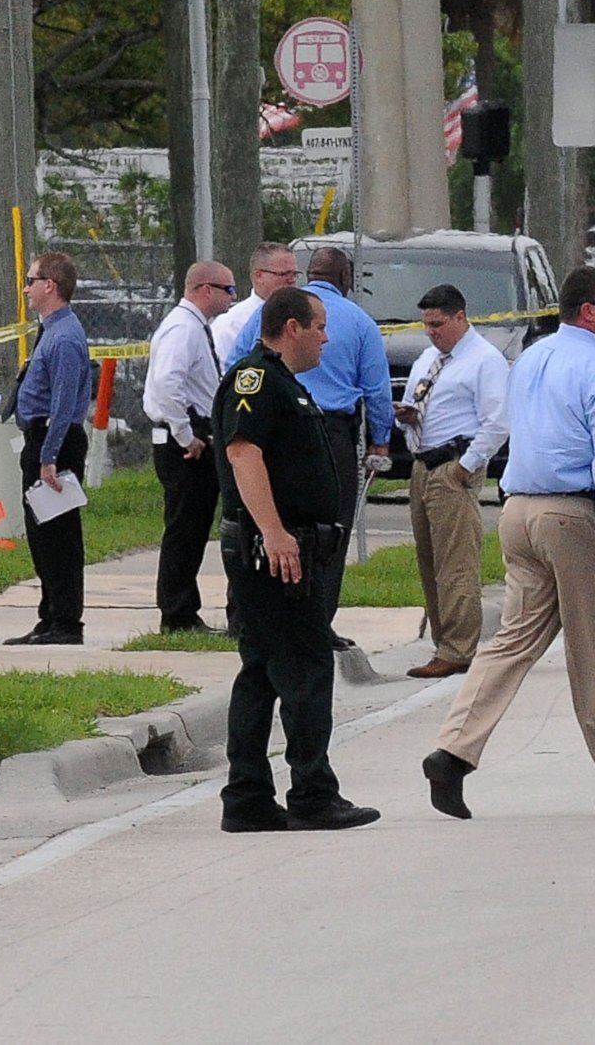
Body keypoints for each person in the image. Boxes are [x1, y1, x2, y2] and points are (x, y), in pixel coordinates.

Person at [422, 267, 595, 820]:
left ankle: (451, 751)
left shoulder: (532, 358)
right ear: (589, 310)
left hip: (518, 513)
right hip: (572, 517)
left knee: (512, 641)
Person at [214, 285, 379, 832]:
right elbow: (243, 453)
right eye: (319, 327)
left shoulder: (285, 384)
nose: (326, 338)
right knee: (307, 668)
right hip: (275, 552)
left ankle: (248, 798)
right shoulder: (255, 379)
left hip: (283, 546)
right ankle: (312, 794)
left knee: (261, 670)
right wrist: (275, 533)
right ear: (291, 327)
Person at [228, 246, 390, 642]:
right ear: (346, 280)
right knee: (328, 531)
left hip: (269, 430)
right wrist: (381, 443)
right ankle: (318, 621)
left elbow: (234, 364)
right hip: (329, 433)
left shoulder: (269, 314)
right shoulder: (361, 322)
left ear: (307, 274)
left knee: (257, 520)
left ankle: (245, 618)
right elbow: (377, 390)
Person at [395, 284, 509, 679]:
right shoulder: (429, 358)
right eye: (427, 325)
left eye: (438, 324)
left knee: (455, 562)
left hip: (453, 464)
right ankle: (443, 642)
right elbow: (418, 402)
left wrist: (467, 467)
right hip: (423, 463)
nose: (432, 332)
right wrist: (406, 417)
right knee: (429, 559)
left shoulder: (484, 360)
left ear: (460, 317)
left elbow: (497, 422)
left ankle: (459, 648)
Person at [2, 253, 93, 646]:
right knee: (42, 537)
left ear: (50, 285)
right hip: (40, 439)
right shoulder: (50, 330)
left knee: (58, 538)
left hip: (54, 443)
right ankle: (50, 615)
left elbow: (62, 403)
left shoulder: (65, 337)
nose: (26, 288)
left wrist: (49, 457)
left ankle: (67, 622)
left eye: (31, 280)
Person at [145, 261, 236, 635]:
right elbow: (168, 385)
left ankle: (183, 607)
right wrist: (187, 435)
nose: (233, 297)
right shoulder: (183, 329)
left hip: (193, 431)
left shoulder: (197, 328)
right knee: (185, 527)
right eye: (227, 289)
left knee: (194, 526)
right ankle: (177, 612)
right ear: (204, 289)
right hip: (183, 441)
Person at [211, 242, 299, 359]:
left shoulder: (304, 315)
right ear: (259, 276)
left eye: (295, 274)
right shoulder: (232, 324)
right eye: (284, 274)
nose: (291, 280)